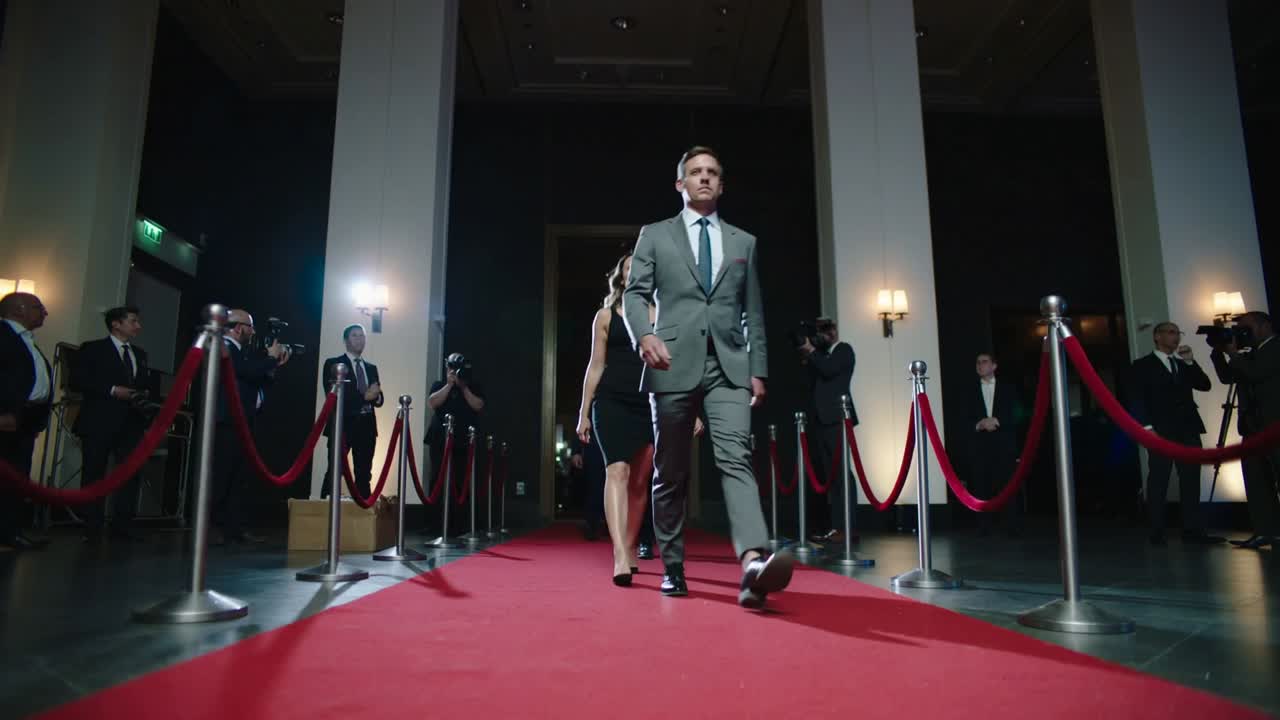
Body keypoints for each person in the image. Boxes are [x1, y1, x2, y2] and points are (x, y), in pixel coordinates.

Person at [622, 145, 793, 609]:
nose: (704, 177)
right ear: (680, 184)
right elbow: (634, 295)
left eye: (712, 172)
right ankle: (673, 565)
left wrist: (757, 369)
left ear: (721, 184)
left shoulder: (743, 242)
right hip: (670, 362)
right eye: (695, 172)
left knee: (737, 460)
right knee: (671, 471)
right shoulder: (655, 234)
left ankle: (753, 563)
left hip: (729, 367)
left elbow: (753, 311)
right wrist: (644, 336)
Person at [577, 253, 665, 584]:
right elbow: (595, 365)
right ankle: (619, 555)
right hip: (611, 401)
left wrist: (691, 408)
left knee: (641, 480)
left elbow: (675, 362)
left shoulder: (663, 315)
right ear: (623, 277)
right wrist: (584, 412)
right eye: (630, 267)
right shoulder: (605, 316)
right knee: (617, 470)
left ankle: (629, 546)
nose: (636, 271)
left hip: (650, 402)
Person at [1126, 323, 1222, 545]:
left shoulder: (1182, 364)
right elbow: (1136, 398)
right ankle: (1156, 531)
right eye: (1171, 332)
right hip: (1161, 430)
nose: (1176, 337)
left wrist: (1190, 361)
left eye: (1178, 333)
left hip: (1188, 428)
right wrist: (1147, 428)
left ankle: (1192, 530)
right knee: (1159, 478)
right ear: (1157, 337)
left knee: (1191, 478)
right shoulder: (1142, 365)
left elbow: (1204, 385)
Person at [72, 306, 152, 542]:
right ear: (116, 324)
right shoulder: (93, 348)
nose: (138, 326)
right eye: (133, 321)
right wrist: (113, 390)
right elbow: (78, 380)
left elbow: (145, 383)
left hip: (132, 422)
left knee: (130, 473)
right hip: (100, 420)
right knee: (94, 472)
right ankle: (91, 525)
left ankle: (123, 524)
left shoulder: (140, 354)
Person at [212, 308, 290, 544]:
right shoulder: (222, 347)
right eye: (250, 326)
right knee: (223, 475)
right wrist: (270, 358)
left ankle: (234, 528)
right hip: (227, 420)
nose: (253, 332)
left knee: (239, 477)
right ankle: (214, 527)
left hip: (243, 422)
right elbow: (245, 371)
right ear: (238, 328)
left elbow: (256, 378)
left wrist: (273, 364)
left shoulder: (241, 352)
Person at [1210, 311, 1279, 549]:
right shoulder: (1249, 354)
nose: (1242, 334)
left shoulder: (1275, 348)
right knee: (1257, 481)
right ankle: (1266, 531)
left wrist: (1233, 353)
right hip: (1252, 428)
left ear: (1264, 327)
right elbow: (1227, 377)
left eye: (1246, 329)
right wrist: (1218, 352)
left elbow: (1256, 373)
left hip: (1274, 425)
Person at [797, 317, 857, 543]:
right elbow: (810, 379)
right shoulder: (820, 355)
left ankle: (847, 527)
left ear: (833, 332)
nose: (820, 336)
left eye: (824, 331)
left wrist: (812, 351)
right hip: (822, 420)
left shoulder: (843, 350)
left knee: (842, 473)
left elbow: (830, 370)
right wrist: (808, 354)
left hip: (838, 419)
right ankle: (834, 526)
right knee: (830, 476)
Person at [0, 292, 52, 551]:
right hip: (5, 418)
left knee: (17, 479)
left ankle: (9, 532)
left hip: (25, 421)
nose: (44, 312)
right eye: (37, 307)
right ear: (18, 309)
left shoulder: (27, 339)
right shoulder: (3, 336)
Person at [319, 324, 384, 499]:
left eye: (362, 336)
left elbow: (378, 396)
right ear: (346, 340)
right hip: (343, 426)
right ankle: (324, 510)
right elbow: (336, 396)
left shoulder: (371, 367)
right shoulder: (334, 364)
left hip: (367, 426)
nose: (359, 339)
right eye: (355, 336)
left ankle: (362, 512)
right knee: (335, 471)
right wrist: (366, 396)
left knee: (364, 474)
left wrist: (376, 397)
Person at [967, 351, 1023, 537]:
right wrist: (980, 424)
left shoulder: (1008, 389)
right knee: (981, 486)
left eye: (984, 362)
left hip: (1004, 445)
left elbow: (1018, 414)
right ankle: (983, 527)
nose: (980, 365)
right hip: (980, 446)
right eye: (978, 362)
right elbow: (962, 417)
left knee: (1007, 485)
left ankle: (1012, 525)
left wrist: (997, 421)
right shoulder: (969, 391)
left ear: (994, 366)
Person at [426, 353, 485, 506]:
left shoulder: (473, 387)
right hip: (440, 439)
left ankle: (460, 517)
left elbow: (478, 405)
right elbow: (432, 403)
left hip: (463, 441)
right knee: (437, 478)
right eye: (451, 368)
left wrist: (463, 386)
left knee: (461, 480)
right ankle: (434, 517)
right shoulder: (439, 385)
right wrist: (449, 385)